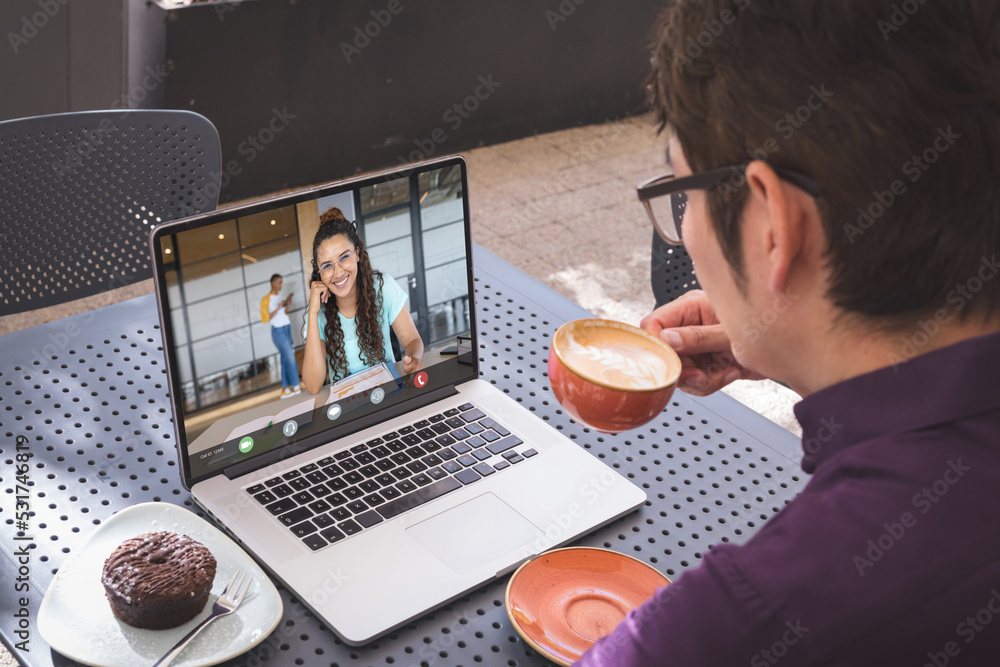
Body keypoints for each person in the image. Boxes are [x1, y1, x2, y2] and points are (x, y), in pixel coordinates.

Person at [577, 1, 1000, 664]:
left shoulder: (749, 615)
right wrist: (797, 344)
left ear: (774, 223)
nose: (683, 228)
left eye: (682, 190)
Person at [301, 208, 423, 394]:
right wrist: (313, 313)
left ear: (357, 253)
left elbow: (413, 340)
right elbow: (313, 384)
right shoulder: (319, 311)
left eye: (344, 257)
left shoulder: (383, 287)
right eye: (327, 266)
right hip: (347, 409)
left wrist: (413, 360)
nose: (338, 272)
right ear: (319, 272)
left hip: (389, 396)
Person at [261, 273, 300, 398]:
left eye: (282, 282)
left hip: (287, 327)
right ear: (273, 283)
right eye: (279, 282)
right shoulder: (266, 299)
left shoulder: (281, 296)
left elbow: (285, 313)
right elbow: (265, 318)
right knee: (290, 357)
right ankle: (296, 385)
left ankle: (285, 389)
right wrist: (278, 308)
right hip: (278, 331)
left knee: (285, 358)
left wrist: (287, 305)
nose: (281, 285)